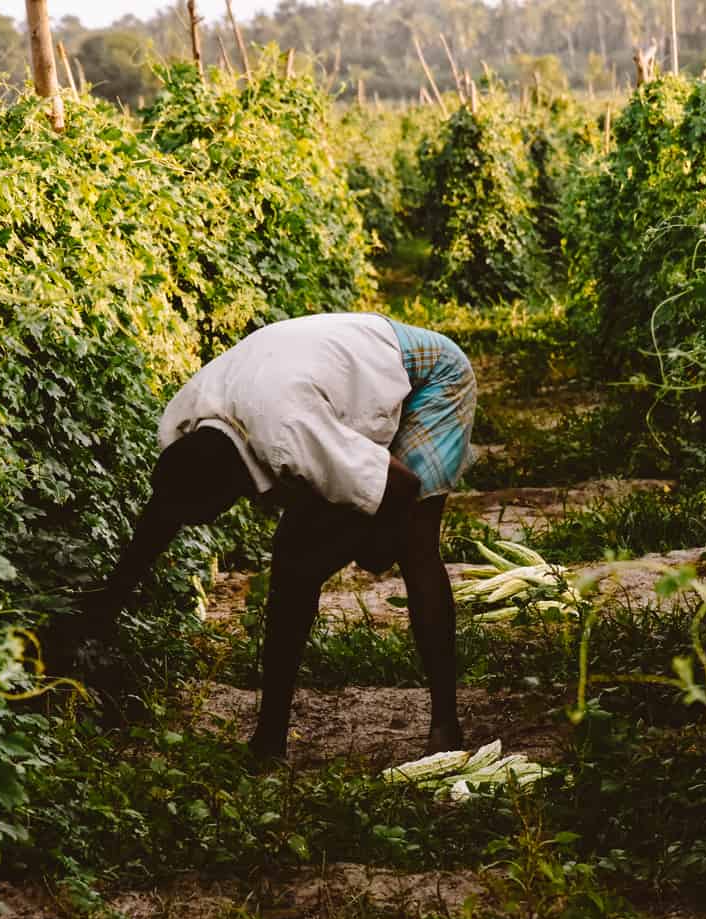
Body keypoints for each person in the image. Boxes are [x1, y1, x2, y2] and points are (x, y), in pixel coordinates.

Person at [56, 312, 476, 759]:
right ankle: (269, 738)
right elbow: (164, 510)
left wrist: (373, 546)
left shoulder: (289, 438)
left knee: (413, 547)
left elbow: (401, 489)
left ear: (235, 489)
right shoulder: (188, 420)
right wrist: (107, 601)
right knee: (293, 567)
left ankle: (446, 727)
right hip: (329, 370)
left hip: (431, 374)